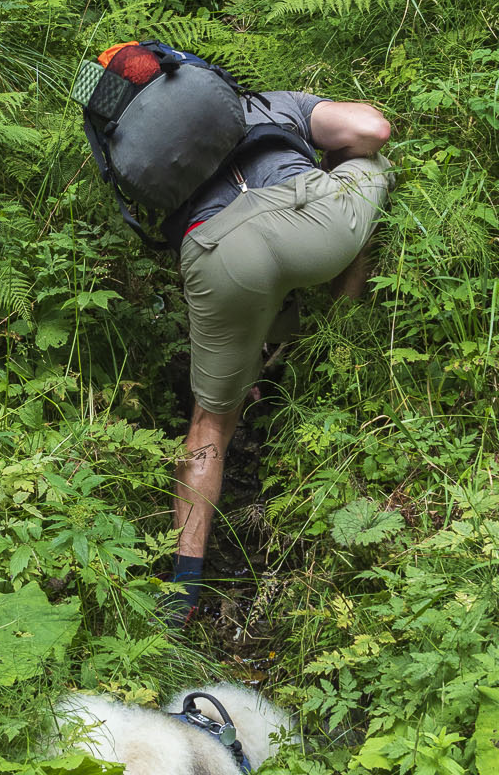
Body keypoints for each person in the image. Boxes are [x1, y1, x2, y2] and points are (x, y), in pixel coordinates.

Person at [165, 88, 393, 622]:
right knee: (374, 163)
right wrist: (335, 156)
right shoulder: (267, 103)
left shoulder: (153, 152)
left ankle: (179, 599)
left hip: (217, 245)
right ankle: (340, 331)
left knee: (209, 424)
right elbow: (372, 131)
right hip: (312, 220)